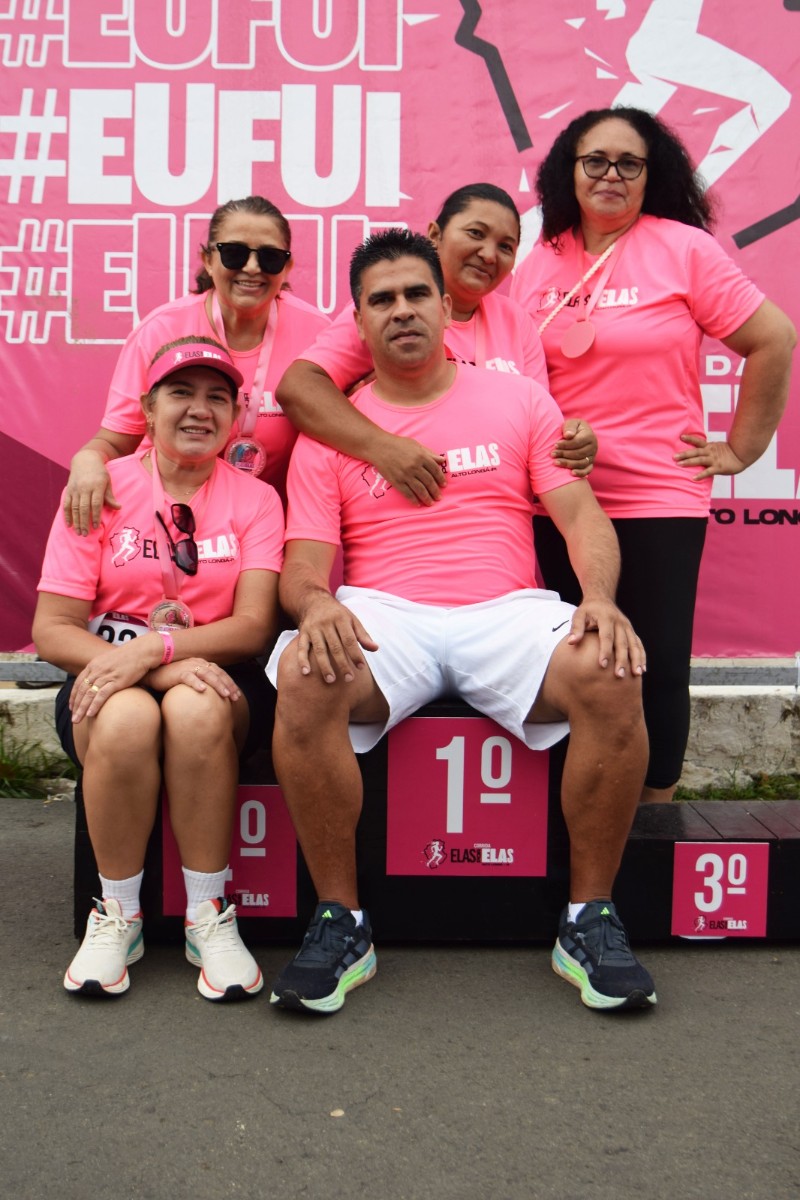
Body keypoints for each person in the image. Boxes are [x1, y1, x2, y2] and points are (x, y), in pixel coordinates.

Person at [266, 228, 654, 1017]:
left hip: (507, 613)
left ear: (448, 306)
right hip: (387, 616)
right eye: (382, 300)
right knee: (305, 675)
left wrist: (601, 598)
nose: (402, 311)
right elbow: (303, 566)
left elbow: (581, 517)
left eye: (416, 294)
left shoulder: (516, 398)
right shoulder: (334, 433)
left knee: (611, 667)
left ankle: (589, 920)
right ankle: (342, 922)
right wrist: (316, 605)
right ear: (359, 320)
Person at [510, 107, 796, 802]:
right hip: (550, 495)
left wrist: (740, 449)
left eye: (628, 163)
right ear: (566, 171)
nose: (610, 175)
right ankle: (560, 822)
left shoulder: (681, 248)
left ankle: (654, 820)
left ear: (651, 174)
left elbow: (774, 337)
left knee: (656, 664)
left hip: (656, 493)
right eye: (594, 161)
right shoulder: (536, 253)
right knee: (557, 662)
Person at [33, 336, 285, 1000]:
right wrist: (145, 667)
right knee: (125, 716)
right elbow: (51, 630)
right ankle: (118, 913)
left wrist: (159, 652)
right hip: (107, 680)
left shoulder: (257, 500)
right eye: (180, 392)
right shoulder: (100, 489)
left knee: (194, 707)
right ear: (146, 407)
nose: (198, 410)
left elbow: (254, 626)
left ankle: (209, 913)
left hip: (216, 681)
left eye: (216, 398)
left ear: (236, 416)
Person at [276, 183, 598, 507]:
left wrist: (571, 441)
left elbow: (539, 433)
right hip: (405, 508)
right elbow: (299, 388)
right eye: (475, 233)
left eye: (505, 246)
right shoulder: (390, 313)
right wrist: (382, 447)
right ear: (435, 234)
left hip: (494, 517)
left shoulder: (516, 321)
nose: (488, 254)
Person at [64, 196, 329, 532]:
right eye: (234, 252)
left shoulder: (319, 333)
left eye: (270, 257)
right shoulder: (161, 330)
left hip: (266, 524)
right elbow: (117, 442)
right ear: (208, 259)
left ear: (287, 267)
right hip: (161, 517)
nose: (251, 267)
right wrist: (87, 460)